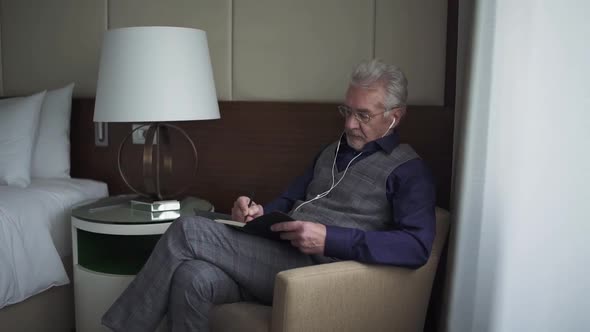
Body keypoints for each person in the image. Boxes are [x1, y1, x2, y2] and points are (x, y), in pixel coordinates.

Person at [101, 59, 436, 331]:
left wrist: (330, 238)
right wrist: (257, 214)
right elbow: (289, 200)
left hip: (318, 273)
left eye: (362, 115)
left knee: (187, 229)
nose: (349, 124)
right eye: (346, 111)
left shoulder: (409, 171)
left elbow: (417, 246)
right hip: (277, 258)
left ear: (395, 116)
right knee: (193, 277)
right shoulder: (331, 151)